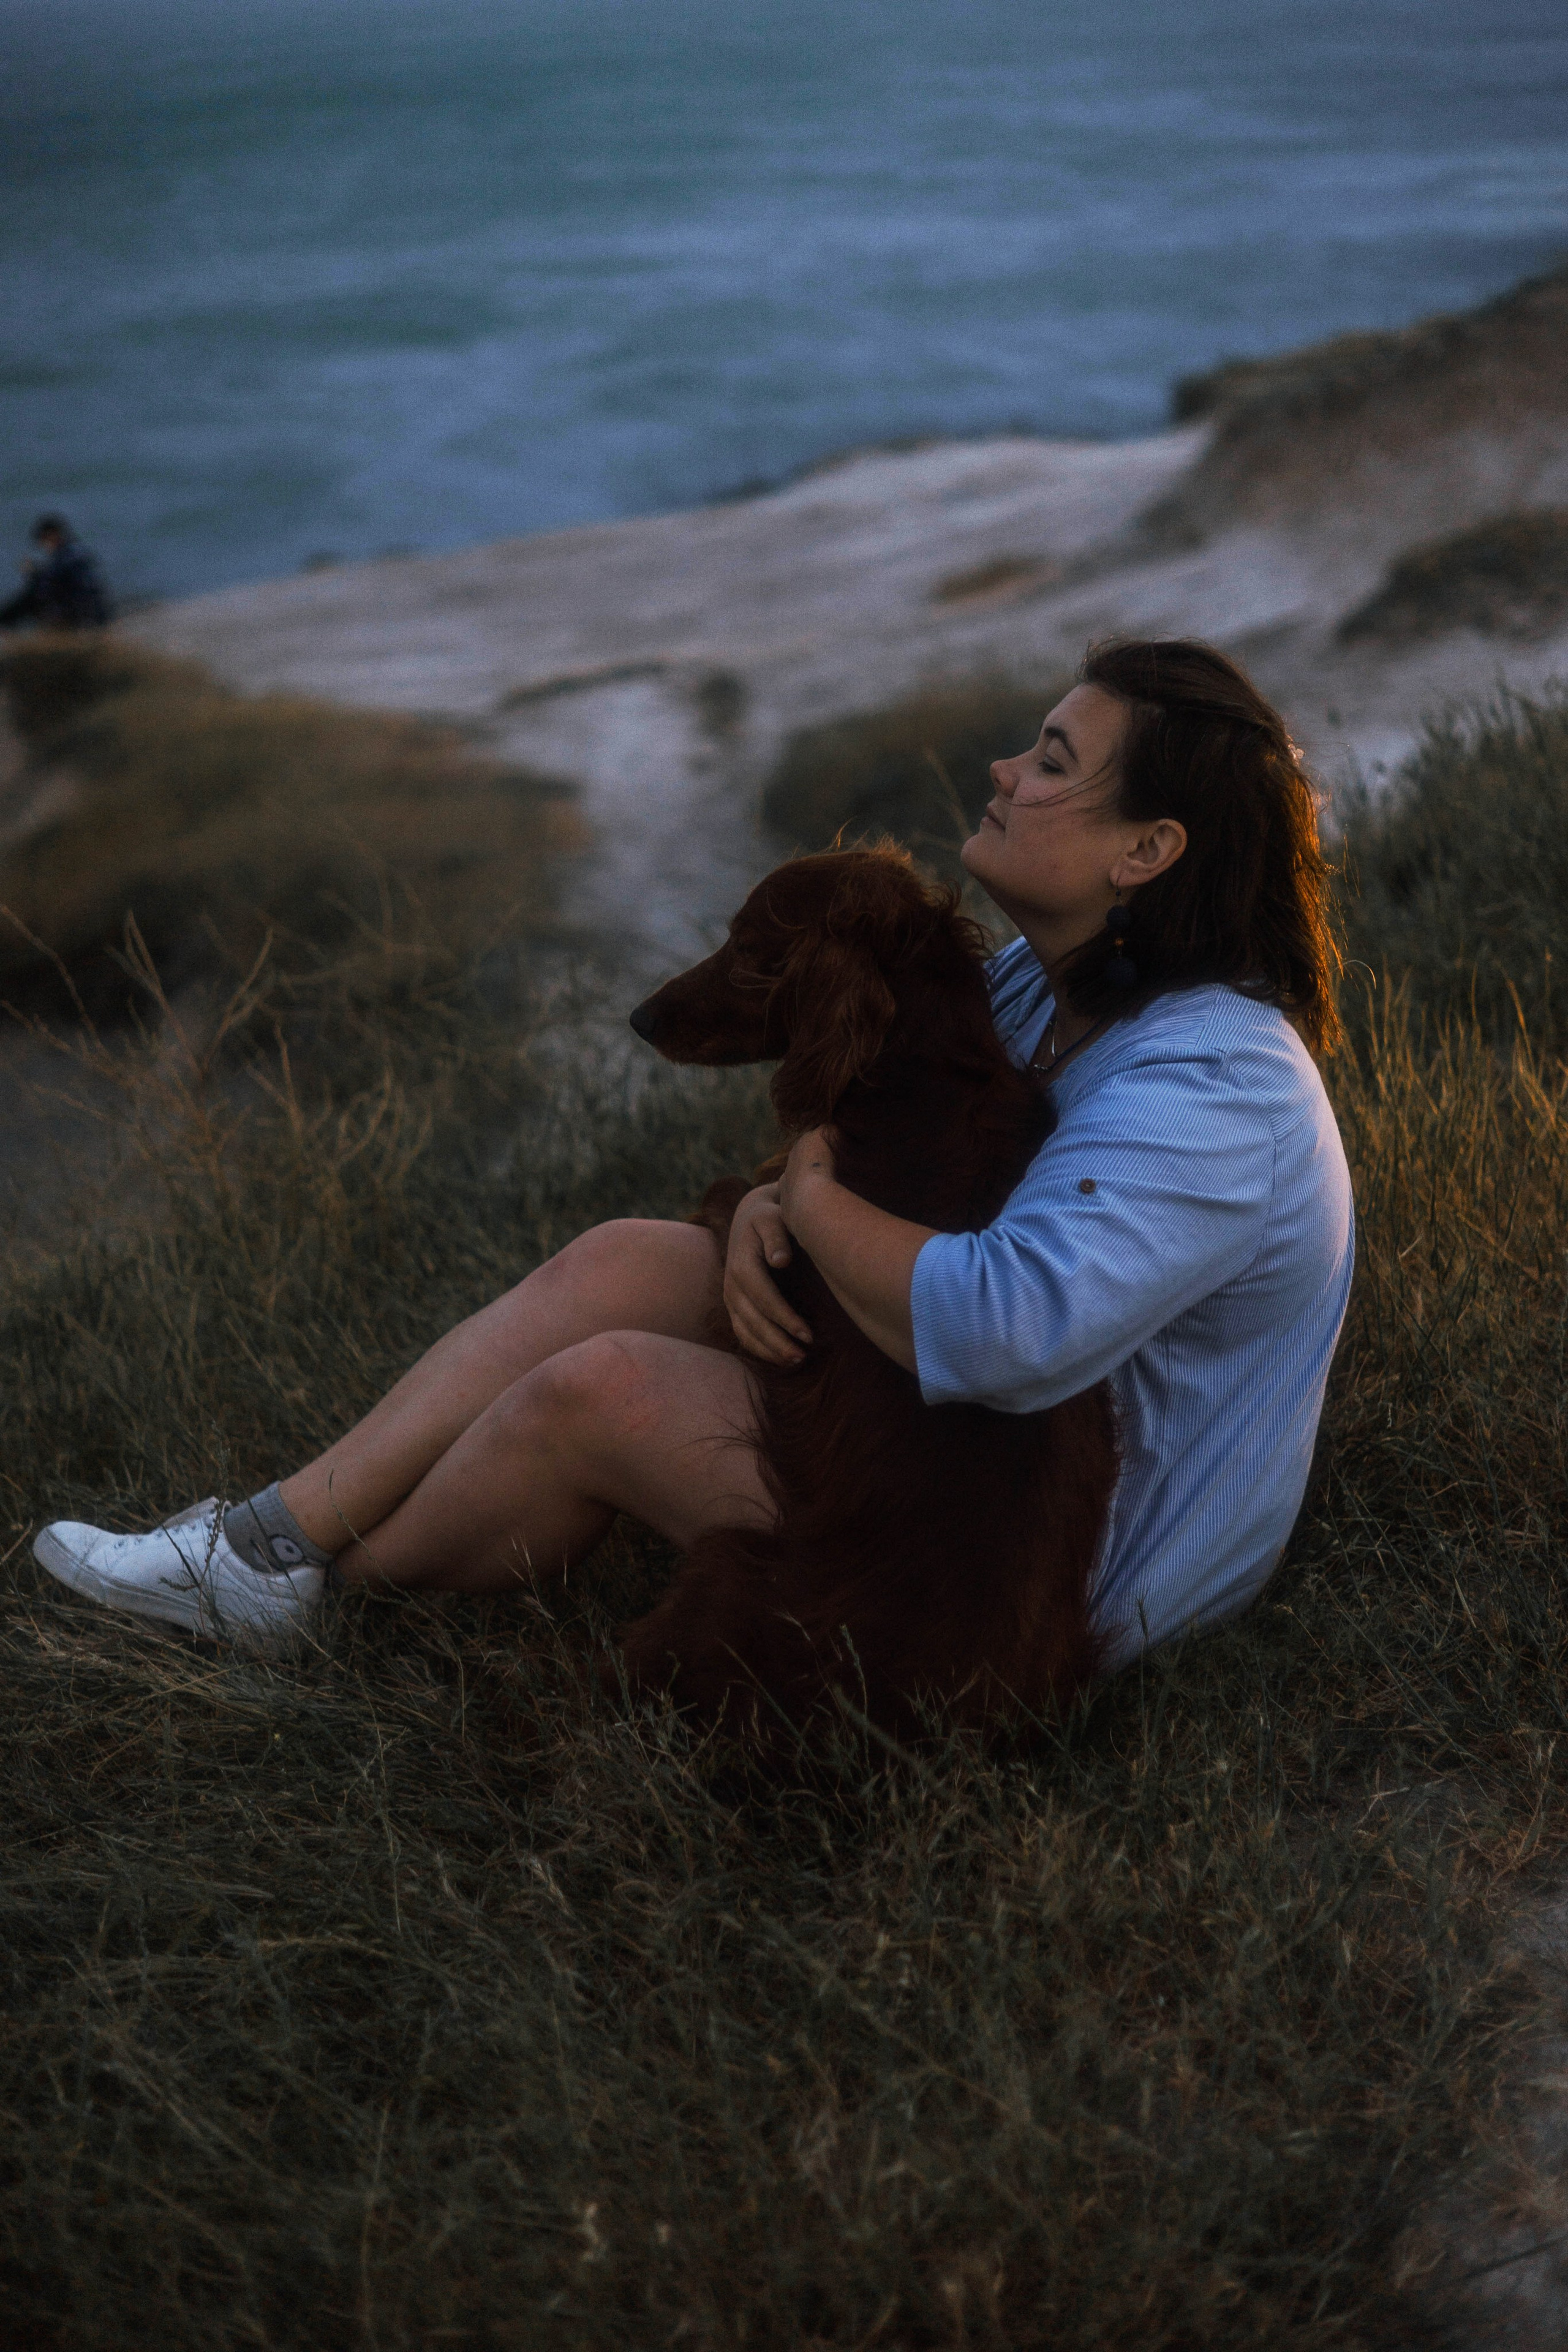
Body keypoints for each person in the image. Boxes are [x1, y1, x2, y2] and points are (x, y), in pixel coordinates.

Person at [34, 638, 1354, 1673]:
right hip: (978, 1459)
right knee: (627, 1261)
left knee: (602, 1392)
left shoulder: (1216, 1087)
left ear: (1147, 851)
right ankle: (268, 1542)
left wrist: (811, 1202)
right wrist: (771, 1208)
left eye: (1054, 761)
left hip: (1044, 1571)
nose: (1006, 770)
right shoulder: (1038, 987)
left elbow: (1010, 1325)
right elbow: (909, 1150)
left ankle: (313, 1599)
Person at [0, 513, 112, 630]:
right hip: (96, 612)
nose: (45, 547)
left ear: (52, 535)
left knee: (32, 596)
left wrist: (33, 573)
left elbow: (47, 584)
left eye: (44, 541)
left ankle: (4, 624)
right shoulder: (77, 550)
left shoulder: (68, 555)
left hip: (83, 615)